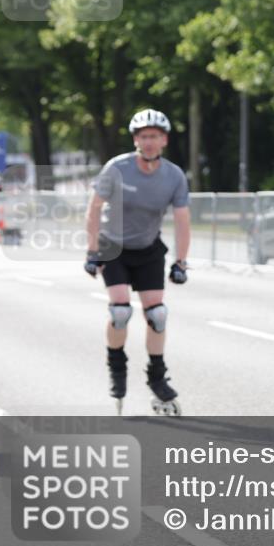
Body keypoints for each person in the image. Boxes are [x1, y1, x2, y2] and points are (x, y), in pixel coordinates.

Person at [83, 108, 191, 415]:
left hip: (147, 247)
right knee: (120, 311)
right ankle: (117, 367)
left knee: (157, 315)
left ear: (164, 140)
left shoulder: (173, 176)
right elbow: (94, 209)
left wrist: (181, 262)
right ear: (136, 140)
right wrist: (92, 252)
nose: (150, 142)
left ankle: (157, 378)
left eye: (155, 136)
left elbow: (183, 221)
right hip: (113, 246)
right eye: (144, 136)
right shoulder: (117, 168)